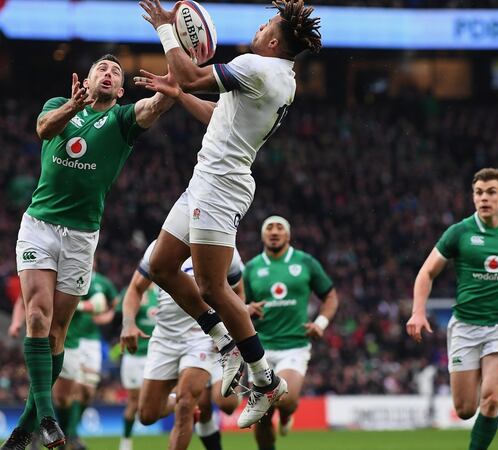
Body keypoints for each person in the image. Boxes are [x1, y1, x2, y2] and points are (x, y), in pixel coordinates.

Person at [136, 0, 322, 427]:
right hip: (208, 179)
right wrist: (180, 93)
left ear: (273, 42)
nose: (258, 28)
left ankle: (265, 379)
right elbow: (217, 114)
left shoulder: (256, 67)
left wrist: (166, 29)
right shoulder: (279, 77)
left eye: (265, 25)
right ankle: (225, 342)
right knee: (163, 266)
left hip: (221, 186)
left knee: (213, 287)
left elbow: (192, 72)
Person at [0, 54, 176, 450]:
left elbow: (155, 106)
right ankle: (46, 415)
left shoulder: (123, 120)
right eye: (102, 68)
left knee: (57, 332)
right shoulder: (57, 107)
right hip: (40, 225)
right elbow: (45, 129)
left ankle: (25, 426)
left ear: (121, 88)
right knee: (37, 316)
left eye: (116, 72)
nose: (109, 73)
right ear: (88, 78)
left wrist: (171, 89)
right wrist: (73, 105)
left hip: (82, 235)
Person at [406, 168, 498, 450]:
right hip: (465, 326)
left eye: (490, 192)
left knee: (492, 396)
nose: (484, 198)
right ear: (473, 197)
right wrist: (418, 311)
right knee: (464, 409)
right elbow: (426, 273)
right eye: (478, 193)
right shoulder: (459, 232)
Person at [121, 240, 242, 450]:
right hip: (165, 338)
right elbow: (134, 289)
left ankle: (187, 403)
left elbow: (238, 292)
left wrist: (231, 332)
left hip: (203, 336)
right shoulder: (160, 245)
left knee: (186, 404)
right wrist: (128, 324)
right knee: (147, 415)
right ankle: (179, 400)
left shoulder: (223, 244)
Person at [242, 216, 338, 450]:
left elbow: (330, 297)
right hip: (259, 349)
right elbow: (236, 304)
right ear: (263, 235)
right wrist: (245, 308)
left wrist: (321, 323)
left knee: (285, 399)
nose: (274, 232)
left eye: (280, 228)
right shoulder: (252, 267)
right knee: (262, 415)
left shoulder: (305, 262)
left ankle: (286, 416)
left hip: (294, 346)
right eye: (269, 228)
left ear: (288, 234)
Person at [54, 271, 116, 450]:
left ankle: (70, 433)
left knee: (88, 391)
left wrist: (108, 316)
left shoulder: (101, 281)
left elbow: (113, 303)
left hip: (92, 341)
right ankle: (69, 436)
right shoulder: (67, 274)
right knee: (71, 389)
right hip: (73, 338)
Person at [115, 284, 158, 450]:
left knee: (157, 400)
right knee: (134, 403)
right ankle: (125, 442)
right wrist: (136, 304)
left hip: (156, 356)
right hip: (134, 355)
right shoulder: (132, 291)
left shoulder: (163, 292)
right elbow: (120, 315)